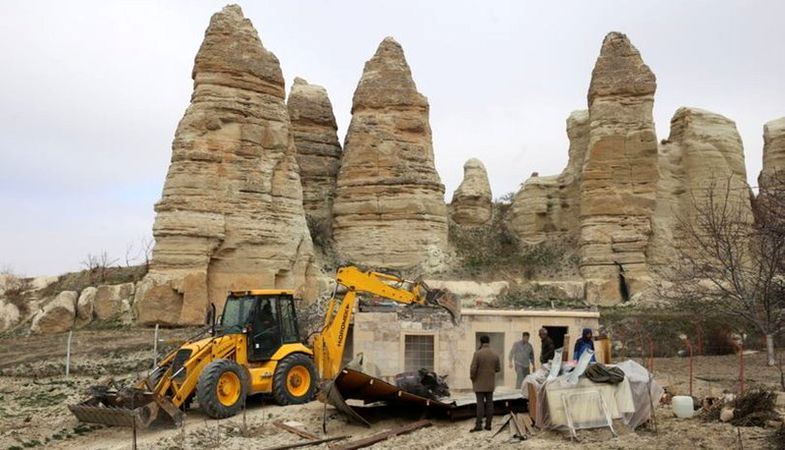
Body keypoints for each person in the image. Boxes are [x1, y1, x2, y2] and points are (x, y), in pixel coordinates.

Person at [469, 335, 500, 432]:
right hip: (490, 383)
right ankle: (488, 425)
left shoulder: (477, 354)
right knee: (490, 403)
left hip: (479, 383)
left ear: (481, 342)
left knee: (480, 404)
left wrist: (472, 378)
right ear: (489, 342)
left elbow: (473, 369)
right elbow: (498, 369)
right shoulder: (495, 354)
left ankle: (478, 425)